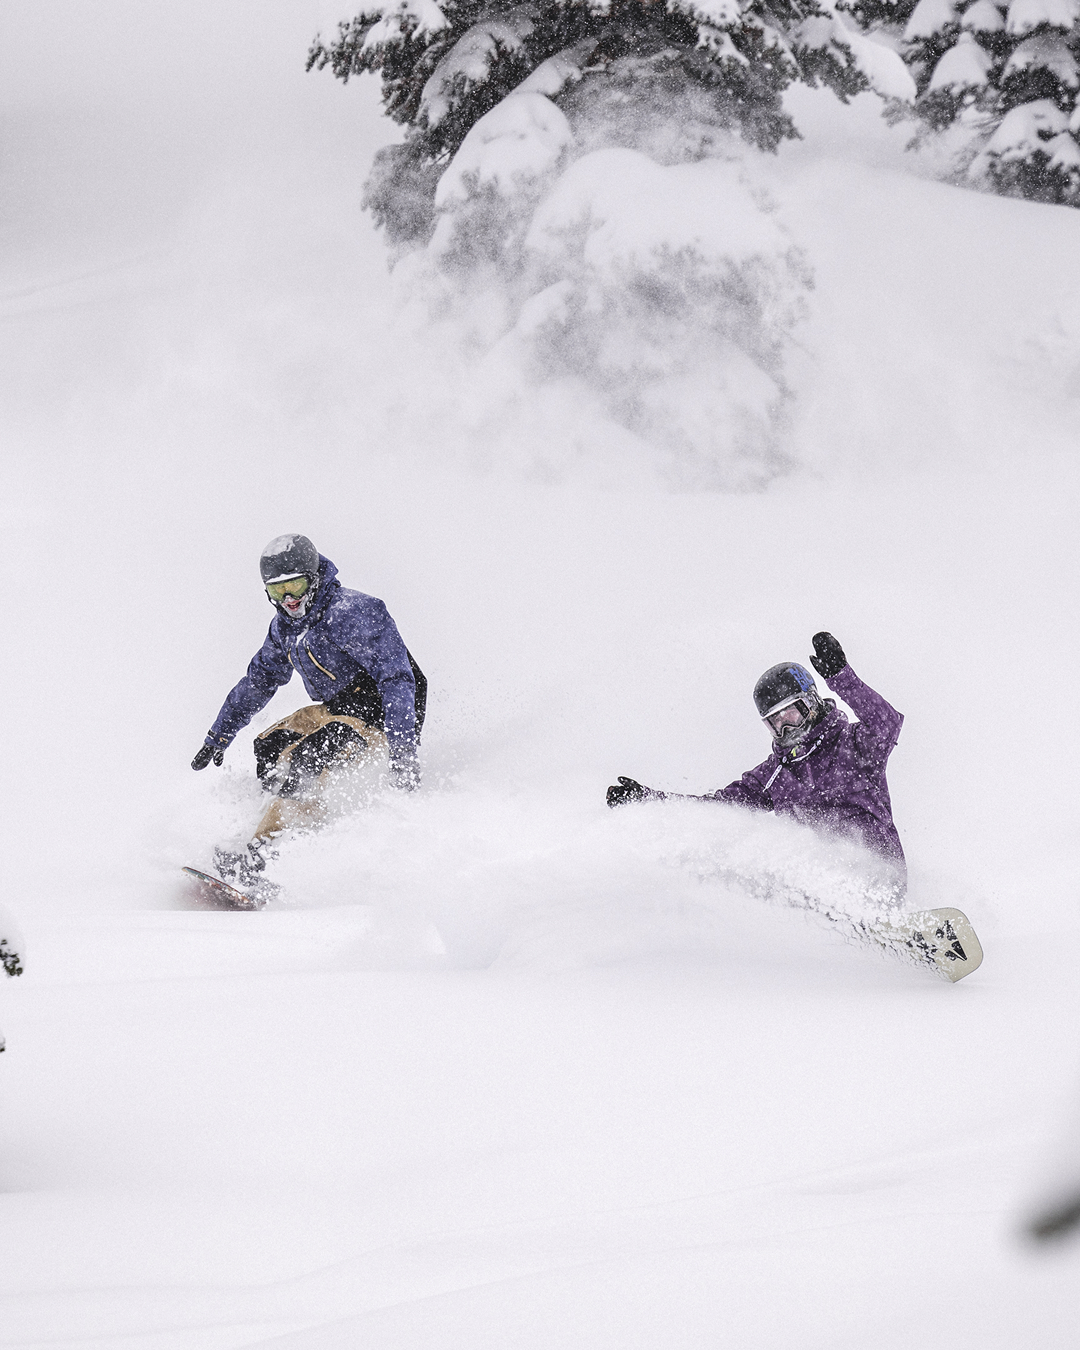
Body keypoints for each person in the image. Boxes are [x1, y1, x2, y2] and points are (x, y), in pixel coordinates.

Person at [192, 533, 426, 889]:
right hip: (339, 706)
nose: (288, 599)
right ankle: (289, 822)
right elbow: (259, 680)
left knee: (309, 759)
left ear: (314, 578)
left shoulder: (353, 612)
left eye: (296, 586)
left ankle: (266, 858)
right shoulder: (285, 630)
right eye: (276, 591)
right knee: (270, 748)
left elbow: (397, 680)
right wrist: (219, 735)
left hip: (384, 706)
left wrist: (403, 751)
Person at [606, 633, 905, 874]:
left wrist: (842, 678)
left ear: (811, 702)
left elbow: (887, 722)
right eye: (774, 722)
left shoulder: (853, 744)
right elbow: (717, 810)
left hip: (879, 873)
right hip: (828, 888)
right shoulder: (776, 774)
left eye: (790, 714)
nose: (784, 728)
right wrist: (650, 802)